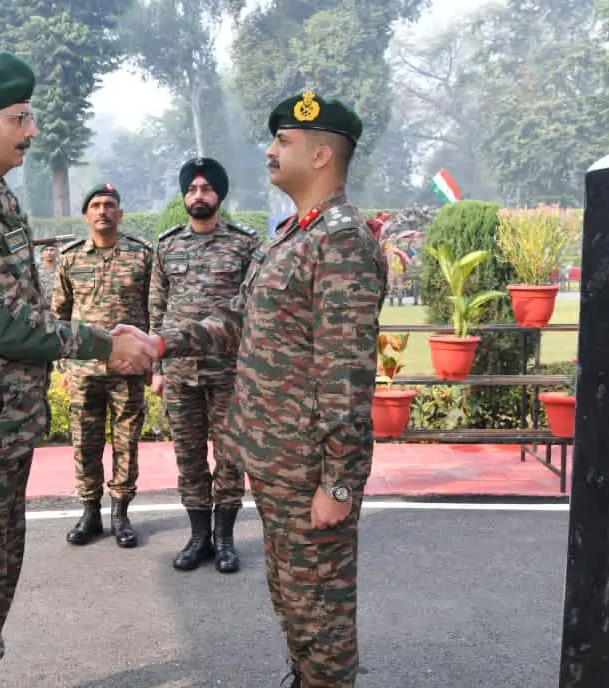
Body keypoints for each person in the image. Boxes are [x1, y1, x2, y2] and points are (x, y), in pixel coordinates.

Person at [0, 52, 156, 688]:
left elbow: (21, 310)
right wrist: (101, 344)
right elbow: (4, 324)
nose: (32, 131)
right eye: (20, 118)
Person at [115, 91, 387, 687]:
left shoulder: (341, 244)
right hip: (275, 459)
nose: (269, 151)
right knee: (292, 596)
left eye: (283, 142)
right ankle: (305, 673)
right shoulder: (294, 236)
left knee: (322, 612)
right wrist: (162, 344)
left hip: (309, 468)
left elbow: (345, 378)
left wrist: (339, 482)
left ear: (320, 156)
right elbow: (237, 319)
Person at [149, 157, 260, 573]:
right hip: (179, 371)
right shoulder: (168, 244)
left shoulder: (244, 244)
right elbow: (156, 307)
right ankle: (198, 538)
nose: (199, 195)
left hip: (229, 370)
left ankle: (225, 539)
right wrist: (156, 368)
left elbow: (252, 308)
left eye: (206, 189)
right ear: (184, 196)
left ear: (219, 194)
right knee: (188, 456)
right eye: (192, 189)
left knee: (230, 456)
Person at [53, 183, 153, 549]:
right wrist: (64, 366)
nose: (102, 211)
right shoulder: (70, 258)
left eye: (110, 204)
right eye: (95, 205)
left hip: (126, 369)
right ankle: (90, 512)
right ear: (86, 215)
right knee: (85, 441)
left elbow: (153, 310)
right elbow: (59, 316)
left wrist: (150, 361)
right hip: (83, 370)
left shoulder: (142, 256)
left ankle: (121, 514)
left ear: (120, 213)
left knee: (126, 442)